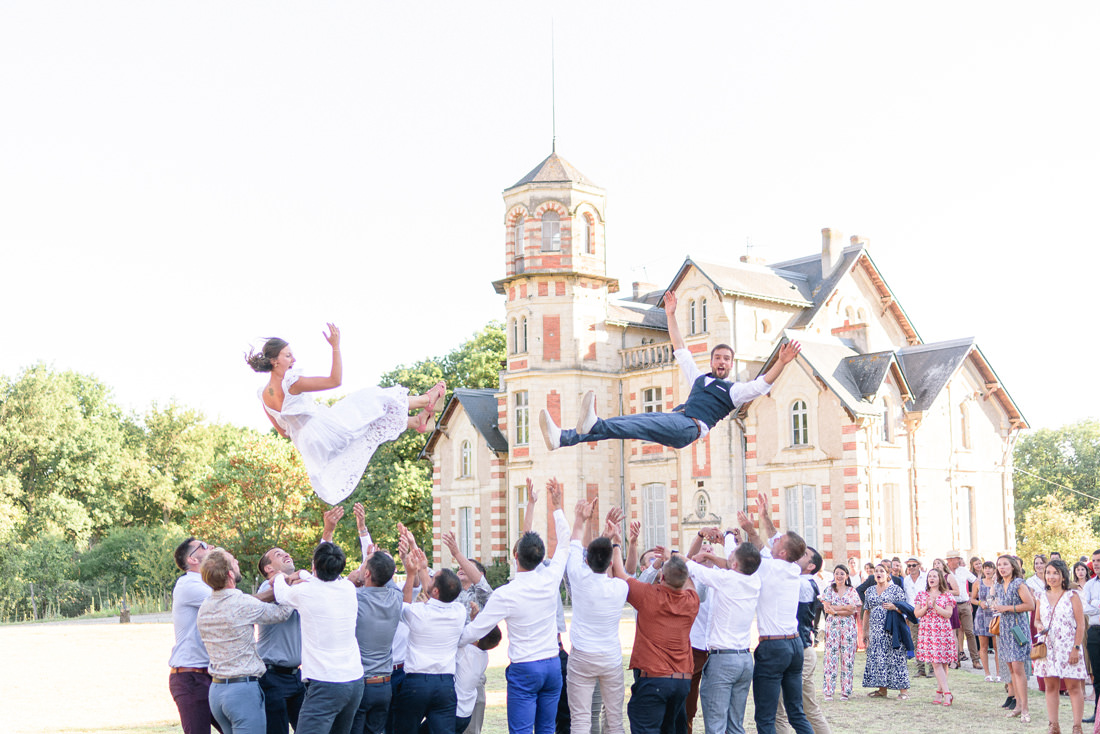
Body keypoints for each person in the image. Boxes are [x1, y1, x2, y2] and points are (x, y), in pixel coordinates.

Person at [539, 291, 801, 451]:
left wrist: (782, 362)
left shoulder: (733, 391)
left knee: (639, 422)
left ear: (731, 365)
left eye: (726, 360)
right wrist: (671, 314)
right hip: (676, 421)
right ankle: (562, 438)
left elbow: (761, 385)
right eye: (718, 358)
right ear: (711, 362)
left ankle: (591, 425)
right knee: (631, 423)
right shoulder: (698, 379)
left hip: (689, 427)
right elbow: (680, 348)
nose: (722, 362)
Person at [247, 325, 446, 504]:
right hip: (323, 430)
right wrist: (335, 346)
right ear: (274, 361)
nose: (294, 359)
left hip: (312, 446)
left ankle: (416, 422)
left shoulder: (263, 396)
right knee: (371, 398)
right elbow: (334, 380)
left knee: (366, 421)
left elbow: (283, 432)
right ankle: (425, 400)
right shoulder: (291, 383)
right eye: (288, 355)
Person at [459, 477, 571, 734]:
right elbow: (564, 543)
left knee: (520, 731)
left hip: (525, 667)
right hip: (552, 663)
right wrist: (557, 506)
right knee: (547, 729)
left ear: (516, 556)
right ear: (541, 556)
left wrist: (452, 639)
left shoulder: (506, 594)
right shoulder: (550, 578)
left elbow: (477, 631)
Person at [197, 548, 295, 734]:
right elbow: (282, 613)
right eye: (234, 561)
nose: (238, 563)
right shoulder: (241, 602)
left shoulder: (205, 605)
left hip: (217, 691)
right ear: (229, 575)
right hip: (242, 690)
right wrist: (286, 587)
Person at [273, 541, 364, 734]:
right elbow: (322, 582)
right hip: (355, 681)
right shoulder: (348, 588)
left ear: (315, 565)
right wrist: (304, 574)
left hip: (326, 683)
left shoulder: (305, 592)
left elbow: (281, 596)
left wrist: (279, 577)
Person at [743, 493, 815, 734]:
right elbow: (775, 540)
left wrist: (749, 529)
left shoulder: (771, 566)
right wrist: (764, 516)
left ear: (783, 552)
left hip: (773, 647)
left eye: (778, 542)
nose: (774, 541)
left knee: (766, 716)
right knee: (796, 712)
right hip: (795, 644)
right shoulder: (793, 567)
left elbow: (758, 544)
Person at [609, 540, 699, 734]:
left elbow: (621, 575)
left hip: (654, 679)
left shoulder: (648, 595)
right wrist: (674, 558)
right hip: (682, 680)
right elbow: (689, 581)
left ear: (662, 576)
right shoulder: (692, 601)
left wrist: (616, 544)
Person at [683, 527, 761, 734]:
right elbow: (730, 558)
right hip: (744, 659)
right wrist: (726, 537)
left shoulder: (725, 579)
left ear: (733, 564)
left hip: (723, 660)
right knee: (735, 726)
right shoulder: (754, 579)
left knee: (716, 726)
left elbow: (691, 566)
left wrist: (674, 555)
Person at [563, 497, 629, 734]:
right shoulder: (620, 588)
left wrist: (580, 519)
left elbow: (574, 544)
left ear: (587, 559)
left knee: (580, 720)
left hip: (582, 655)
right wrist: (615, 542)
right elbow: (620, 571)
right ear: (609, 560)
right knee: (614, 720)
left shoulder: (579, 578)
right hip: (610, 657)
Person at [392, 548, 467, 734]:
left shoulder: (419, 613)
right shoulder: (459, 612)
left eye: (433, 578)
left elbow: (403, 605)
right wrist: (423, 568)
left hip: (417, 682)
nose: (429, 577)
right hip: (445, 684)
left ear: (435, 590)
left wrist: (411, 575)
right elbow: (434, 593)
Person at [346, 548, 404, 734]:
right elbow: (387, 577)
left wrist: (350, 578)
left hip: (361, 684)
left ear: (368, 573)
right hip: (384, 685)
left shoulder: (356, 598)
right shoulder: (396, 597)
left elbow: (337, 590)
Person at [775, 546, 831, 734]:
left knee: (783, 708)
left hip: (800, 652)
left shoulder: (803, 583)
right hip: (802, 650)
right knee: (807, 709)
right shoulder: (802, 581)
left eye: (804, 554)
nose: (798, 554)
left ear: (811, 565)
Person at [169, 536, 218, 734]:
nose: (211, 546)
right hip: (190, 677)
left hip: (211, 675)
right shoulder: (189, 585)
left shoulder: (209, 583)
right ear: (192, 559)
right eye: (204, 546)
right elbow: (235, 605)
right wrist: (279, 590)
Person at [256, 547, 306, 734]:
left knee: (308, 728)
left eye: (287, 552)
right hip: (272, 676)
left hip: (296, 676)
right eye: (278, 554)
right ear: (269, 569)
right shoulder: (266, 588)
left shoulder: (298, 587)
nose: (287, 554)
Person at [1035, 560, 1088, 734]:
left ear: (1063, 575)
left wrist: (1076, 647)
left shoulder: (1072, 595)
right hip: (1048, 647)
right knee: (1050, 687)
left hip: (1068, 646)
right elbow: (1036, 619)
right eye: (1048, 573)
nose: (1051, 577)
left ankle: (1077, 726)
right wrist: (1039, 626)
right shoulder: (1041, 596)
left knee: (1073, 687)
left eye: (1055, 573)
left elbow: (1080, 625)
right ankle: (1054, 725)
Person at [993, 554, 1035, 723]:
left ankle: (1025, 709)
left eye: (1005, 564)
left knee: (1019, 669)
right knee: (1011, 669)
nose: (1002, 567)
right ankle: (1017, 706)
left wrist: (1006, 608)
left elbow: (1030, 605)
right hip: (1004, 629)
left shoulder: (1019, 583)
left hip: (1018, 629)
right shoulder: (999, 585)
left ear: (1012, 566)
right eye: (999, 565)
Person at [861, 563, 911, 700]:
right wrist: (865, 631)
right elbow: (866, 611)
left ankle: (904, 692)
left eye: (882, 571)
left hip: (892, 629)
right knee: (879, 658)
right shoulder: (870, 590)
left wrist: (895, 607)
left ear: (888, 574)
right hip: (875, 631)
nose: (879, 573)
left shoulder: (895, 589)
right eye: (876, 571)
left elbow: (905, 609)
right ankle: (882, 690)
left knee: (896, 658)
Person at [914, 568, 957, 705]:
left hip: (942, 630)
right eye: (929, 576)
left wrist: (936, 607)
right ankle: (947, 693)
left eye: (935, 576)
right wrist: (927, 607)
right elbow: (917, 614)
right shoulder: (922, 595)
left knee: (943, 663)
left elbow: (948, 614)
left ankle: (940, 693)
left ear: (940, 579)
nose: (931, 578)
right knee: (936, 662)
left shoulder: (947, 596)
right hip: (928, 631)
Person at [821, 565, 861, 701]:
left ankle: (846, 691)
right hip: (832, 626)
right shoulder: (828, 590)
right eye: (837, 573)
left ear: (847, 576)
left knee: (847, 658)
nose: (839, 576)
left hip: (848, 627)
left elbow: (853, 610)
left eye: (842, 573)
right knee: (830, 657)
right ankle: (828, 690)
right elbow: (827, 608)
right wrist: (844, 607)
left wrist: (837, 610)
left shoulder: (852, 591)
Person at [946, 550, 980, 670]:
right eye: (956, 558)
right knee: (953, 633)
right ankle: (955, 660)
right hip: (951, 605)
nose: (959, 560)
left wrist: (972, 596)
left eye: (958, 558)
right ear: (950, 560)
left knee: (969, 632)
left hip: (964, 603)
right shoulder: (945, 572)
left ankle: (975, 660)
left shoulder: (963, 570)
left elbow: (975, 581)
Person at [972, 561, 1001, 683]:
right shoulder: (978, 583)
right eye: (986, 568)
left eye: (990, 568)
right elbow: (972, 599)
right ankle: (987, 673)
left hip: (995, 615)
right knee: (983, 646)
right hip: (982, 615)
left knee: (997, 646)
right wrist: (980, 603)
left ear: (994, 570)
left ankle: (999, 673)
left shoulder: (999, 583)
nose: (988, 570)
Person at [1081, 549, 1100, 725]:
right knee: (1098, 677)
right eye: (1094, 560)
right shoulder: (1089, 585)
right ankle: (1098, 715)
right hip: (1094, 631)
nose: (1096, 563)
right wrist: (1097, 605)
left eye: (1099, 560)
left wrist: (1093, 603)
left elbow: (1090, 605)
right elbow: (1084, 608)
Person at [901, 558, 927, 679]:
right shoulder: (906, 580)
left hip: (926, 613)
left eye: (913, 565)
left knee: (928, 641)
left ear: (919, 565)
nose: (911, 568)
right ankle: (921, 668)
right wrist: (906, 614)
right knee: (916, 641)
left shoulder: (926, 577)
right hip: (911, 614)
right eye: (909, 566)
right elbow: (906, 598)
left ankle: (932, 668)